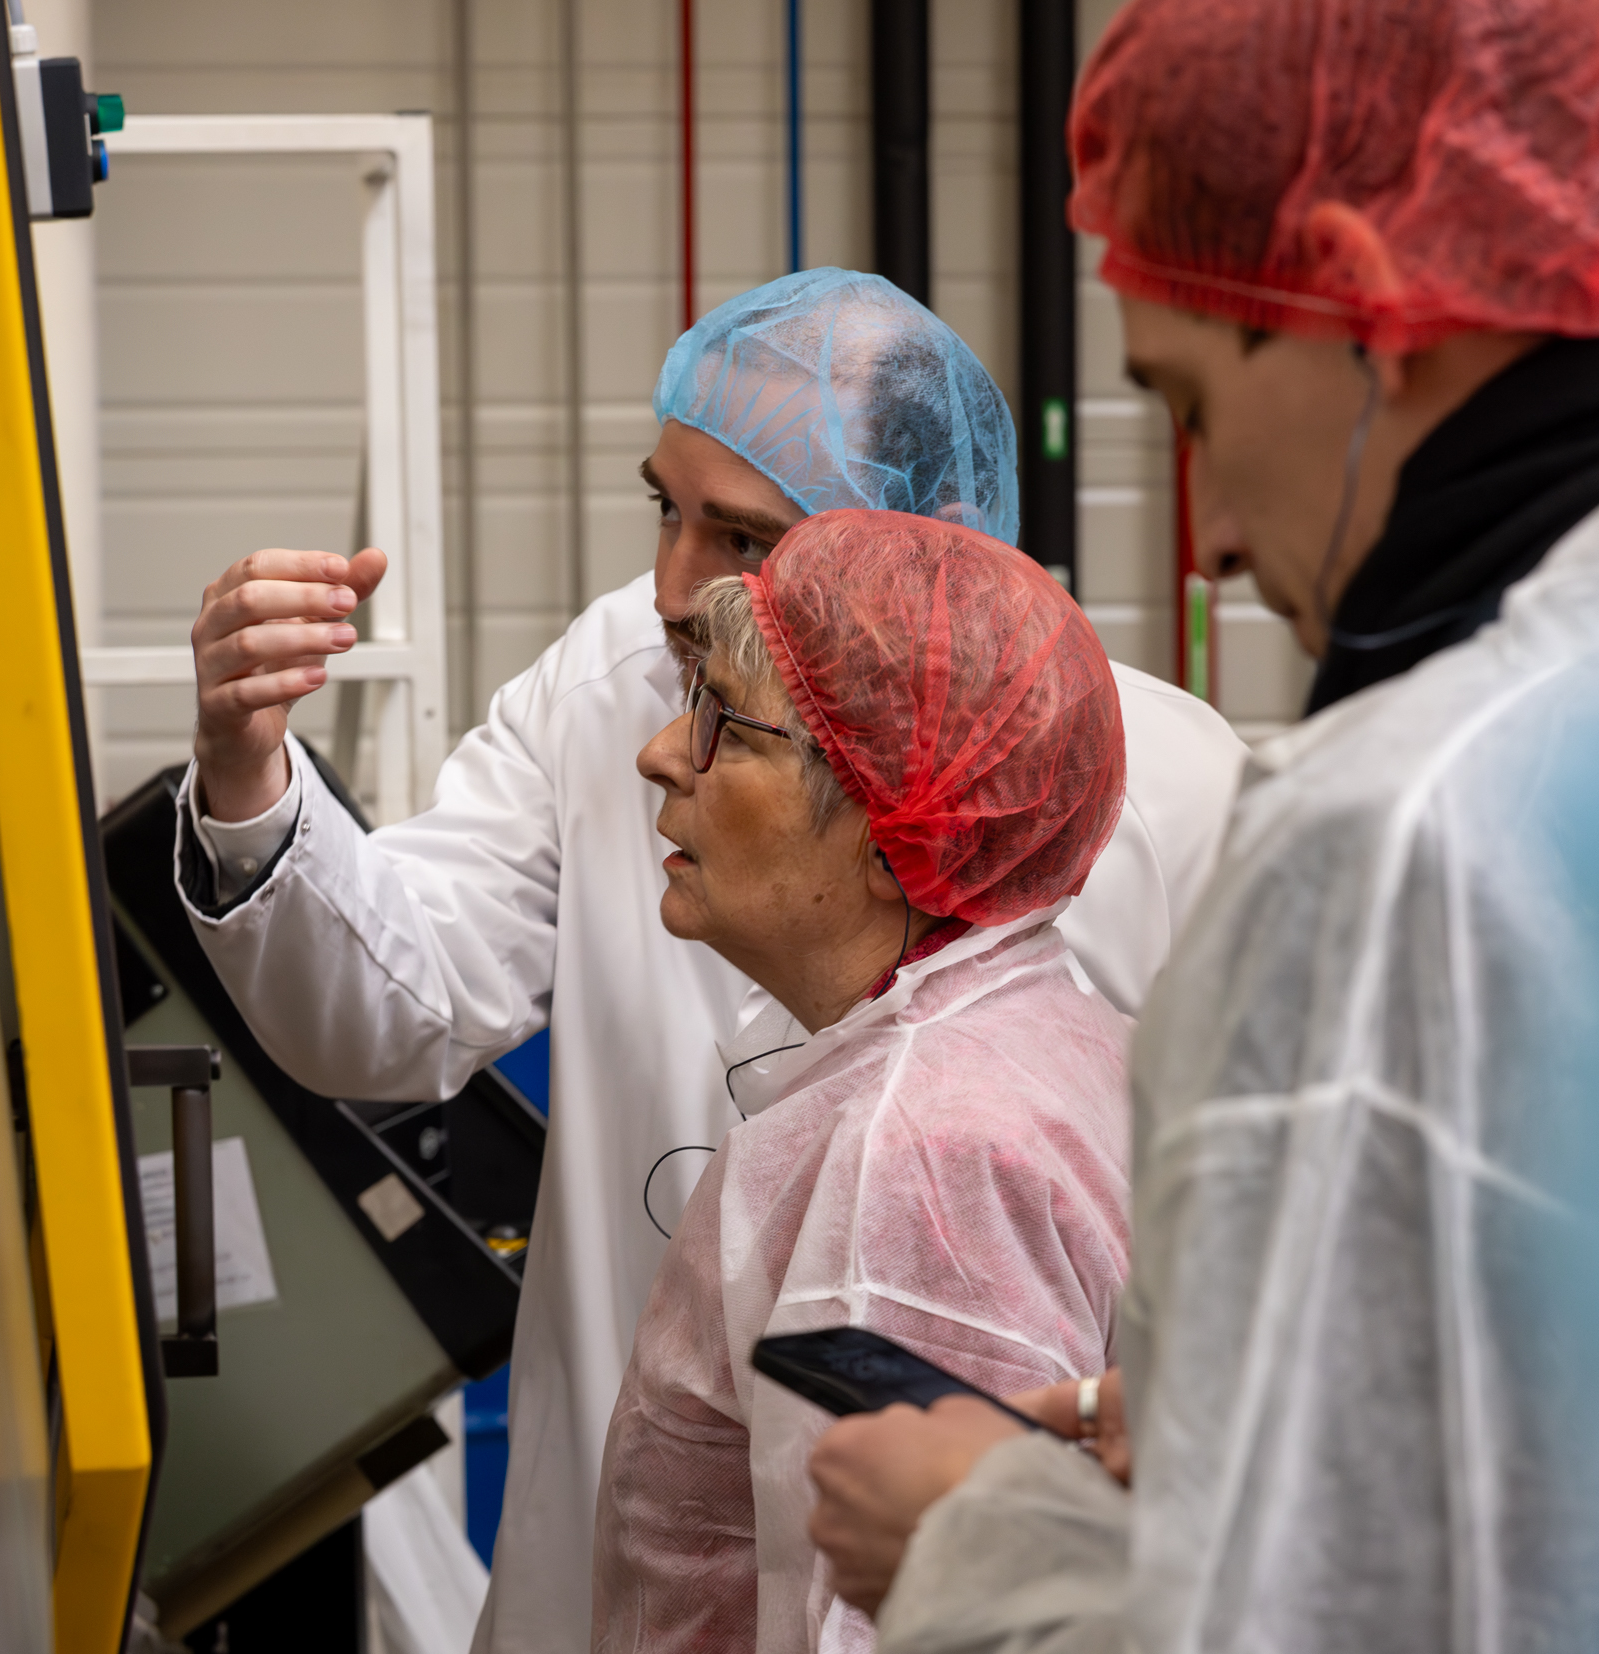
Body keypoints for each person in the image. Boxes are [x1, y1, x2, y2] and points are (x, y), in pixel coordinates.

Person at [178, 271, 1247, 1653]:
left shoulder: (1159, 791)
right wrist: (247, 769)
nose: (675, 590)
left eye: (742, 531)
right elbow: (394, 998)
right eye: (664, 509)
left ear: (916, 550)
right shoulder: (610, 677)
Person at [799, 4, 1599, 1650]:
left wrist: (983, 1531)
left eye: (1189, 404)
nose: (1213, 531)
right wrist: (1203, 1402)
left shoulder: (1398, 840)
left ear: (1366, 297)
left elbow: (1294, 1618)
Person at [592, 517, 1136, 1654]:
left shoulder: (927, 1155)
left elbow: (911, 1624)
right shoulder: (1049, 1030)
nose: (657, 752)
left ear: (895, 831)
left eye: (719, 722)